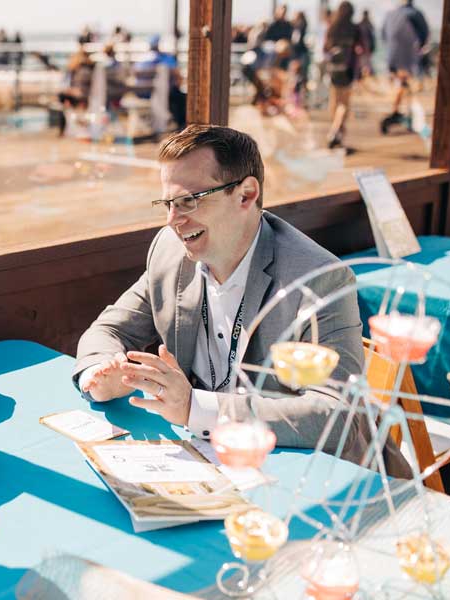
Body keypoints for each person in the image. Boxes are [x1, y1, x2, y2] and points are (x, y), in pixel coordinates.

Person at [72, 125, 410, 477]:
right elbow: (110, 329)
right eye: (168, 204)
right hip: (211, 461)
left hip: (312, 478)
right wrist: (99, 374)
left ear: (246, 194)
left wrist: (196, 408)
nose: (172, 221)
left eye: (189, 200)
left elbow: (338, 415)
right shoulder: (169, 251)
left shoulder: (318, 278)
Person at [380, 0, 429, 135]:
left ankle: (400, 112)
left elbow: (383, 35)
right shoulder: (415, 13)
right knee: (404, 85)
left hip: (392, 56)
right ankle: (397, 112)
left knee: (402, 85)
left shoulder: (390, 14)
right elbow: (424, 34)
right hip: (407, 56)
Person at [324, 1, 362, 149]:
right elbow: (361, 48)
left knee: (334, 99)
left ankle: (337, 128)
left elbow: (325, 48)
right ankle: (335, 130)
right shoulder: (355, 28)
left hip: (333, 67)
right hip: (348, 69)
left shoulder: (332, 27)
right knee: (344, 103)